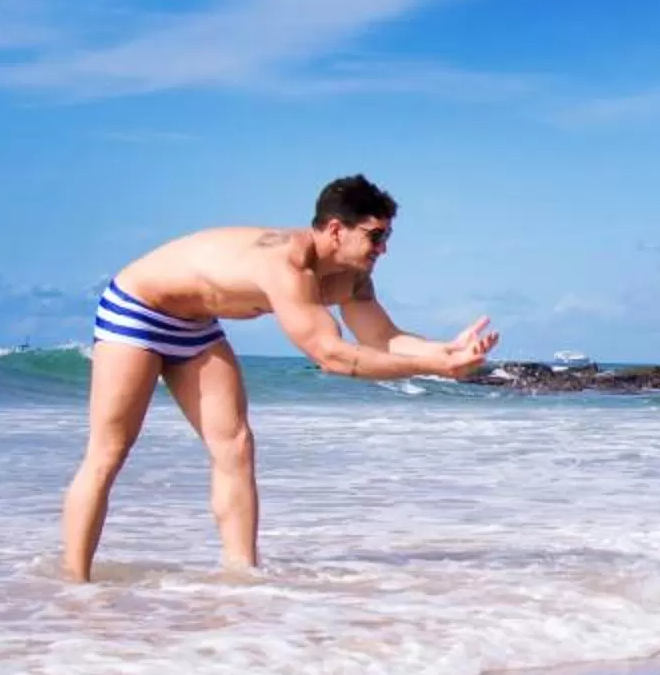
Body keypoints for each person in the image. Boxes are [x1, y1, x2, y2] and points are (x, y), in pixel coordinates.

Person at [60, 175, 496, 581]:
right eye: (375, 236)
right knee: (109, 451)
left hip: (197, 325)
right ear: (335, 229)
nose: (382, 249)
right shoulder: (286, 265)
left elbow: (383, 337)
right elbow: (333, 357)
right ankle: (74, 585)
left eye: (387, 237)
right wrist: (435, 369)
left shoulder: (354, 278)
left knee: (235, 445)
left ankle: (241, 577)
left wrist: (447, 352)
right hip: (138, 309)